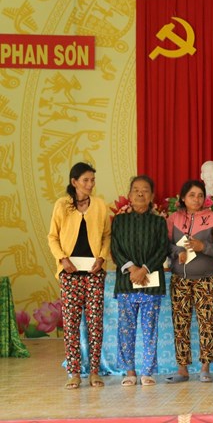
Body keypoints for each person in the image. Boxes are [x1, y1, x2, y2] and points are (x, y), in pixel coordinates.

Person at [47, 162, 111, 389]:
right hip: (70, 273)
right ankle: (74, 372)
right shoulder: (62, 205)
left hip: (94, 273)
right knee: (71, 323)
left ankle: (94, 372)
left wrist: (101, 258)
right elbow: (52, 237)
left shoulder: (100, 205)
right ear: (74, 182)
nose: (90, 184)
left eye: (92, 180)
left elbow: (106, 236)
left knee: (95, 323)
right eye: (86, 180)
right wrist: (62, 259)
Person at [165, 180, 213, 383]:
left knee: (207, 323)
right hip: (180, 279)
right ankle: (182, 369)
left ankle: (205, 367)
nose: (196, 199)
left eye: (200, 195)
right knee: (180, 324)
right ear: (183, 198)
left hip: (206, 279)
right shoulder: (174, 219)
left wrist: (204, 246)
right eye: (192, 195)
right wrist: (178, 251)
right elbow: (165, 244)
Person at [111, 175, 168, 387]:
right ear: (129, 195)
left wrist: (144, 269)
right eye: (136, 190)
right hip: (126, 283)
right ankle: (129, 371)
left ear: (151, 196)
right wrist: (132, 269)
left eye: (145, 190)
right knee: (126, 329)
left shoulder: (158, 222)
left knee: (149, 329)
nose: (140, 193)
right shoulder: (119, 221)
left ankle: (147, 371)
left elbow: (162, 249)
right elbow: (115, 249)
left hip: (151, 284)